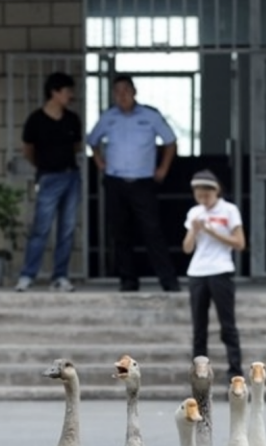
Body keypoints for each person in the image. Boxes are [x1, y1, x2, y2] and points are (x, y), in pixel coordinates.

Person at [87, 75, 181, 292]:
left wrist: (163, 169)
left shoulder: (150, 116)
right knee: (120, 233)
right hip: (115, 181)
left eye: (126, 91)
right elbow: (93, 141)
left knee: (153, 231)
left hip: (143, 182)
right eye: (117, 92)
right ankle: (128, 280)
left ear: (134, 92)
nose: (122, 96)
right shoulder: (108, 117)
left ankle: (168, 280)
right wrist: (99, 162)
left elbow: (170, 142)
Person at [15, 72, 82, 293]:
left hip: (70, 175)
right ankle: (27, 275)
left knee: (67, 228)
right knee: (41, 228)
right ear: (54, 92)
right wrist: (43, 167)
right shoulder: (35, 120)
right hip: (48, 177)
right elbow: (28, 150)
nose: (71, 95)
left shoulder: (73, 119)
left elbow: (76, 147)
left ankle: (60, 276)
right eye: (67, 91)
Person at [182, 169, 245, 383]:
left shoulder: (229, 210)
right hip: (197, 272)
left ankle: (235, 371)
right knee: (199, 327)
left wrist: (212, 231)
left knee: (227, 325)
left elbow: (239, 243)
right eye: (199, 196)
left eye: (206, 196)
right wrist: (194, 230)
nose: (203, 200)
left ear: (215, 191)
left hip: (221, 269)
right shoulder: (194, 212)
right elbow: (187, 248)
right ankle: (199, 374)